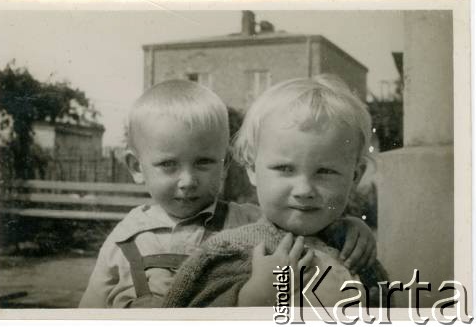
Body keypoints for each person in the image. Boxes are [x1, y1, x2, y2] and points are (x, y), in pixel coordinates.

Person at [79, 79, 378, 308]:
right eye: (169, 165)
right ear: (136, 166)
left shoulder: (246, 222)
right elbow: (89, 309)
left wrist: (349, 227)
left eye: (204, 162)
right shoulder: (126, 237)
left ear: (225, 164)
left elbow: (295, 225)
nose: (187, 181)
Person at [163, 75, 387, 308]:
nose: (304, 190)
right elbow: (184, 313)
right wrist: (254, 297)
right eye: (284, 168)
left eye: (325, 172)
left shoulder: (353, 251)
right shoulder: (232, 250)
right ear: (251, 168)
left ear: (354, 176)